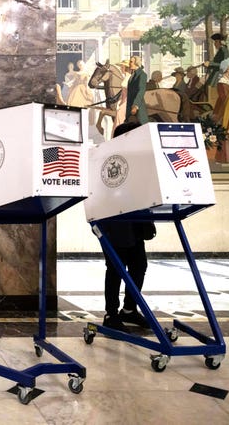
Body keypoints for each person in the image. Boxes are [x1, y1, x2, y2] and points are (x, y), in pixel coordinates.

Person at [100, 121, 153, 333]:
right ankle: (111, 314)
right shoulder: (110, 161)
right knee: (115, 269)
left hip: (135, 222)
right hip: (114, 223)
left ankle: (129, 310)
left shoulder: (138, 160)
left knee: (139, 265)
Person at [125, 55, 148, 124]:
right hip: (129, 106)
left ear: (136, 63)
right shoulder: (132, 75)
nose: (129, 64)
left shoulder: (142, 74)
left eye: (131, 62)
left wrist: (135, 105)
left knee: (142, 126)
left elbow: (141, 91)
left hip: (138, 107)